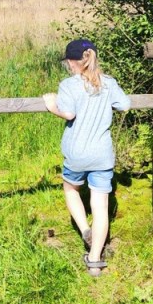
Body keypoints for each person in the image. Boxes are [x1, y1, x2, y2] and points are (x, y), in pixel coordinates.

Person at [43, 39, 130, 277]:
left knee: (71, 189)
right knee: (100, 206)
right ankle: (94, 261)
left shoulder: (68, 85)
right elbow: (124, 105)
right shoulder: (109, 82)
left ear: (73, 62)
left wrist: (51, 106)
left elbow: (68, 113)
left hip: (77, 153)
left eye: (68, 62)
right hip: (102, 154)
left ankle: (84, 230)